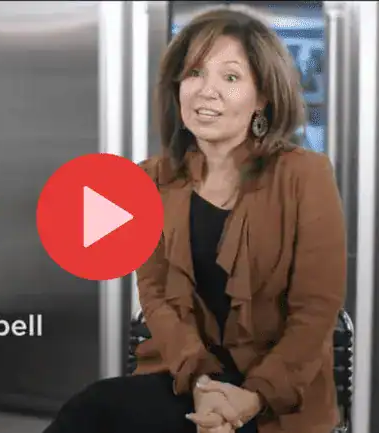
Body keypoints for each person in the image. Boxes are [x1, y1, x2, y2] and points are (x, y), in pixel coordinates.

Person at [43, 5, 346, 433]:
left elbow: (315, 312)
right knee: (88, 410)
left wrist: (250, 397)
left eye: (231, 77)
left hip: (276, 397)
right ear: (177, 87)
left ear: (263, 97)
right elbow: (157, 298)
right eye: (195, 73)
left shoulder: (304, 174)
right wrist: (204, 384)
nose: (207, 91)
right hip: (185, 380)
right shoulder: (150, 179)